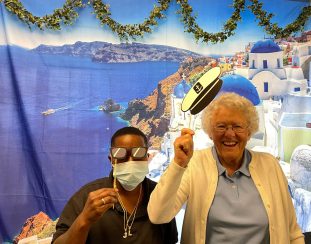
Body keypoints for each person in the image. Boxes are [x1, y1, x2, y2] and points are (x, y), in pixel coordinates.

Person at [147, 92, 304, 244]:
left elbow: (292, 232)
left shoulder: (270, 166)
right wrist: (178, 164)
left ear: (249, 132)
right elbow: (158, 215)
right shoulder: (194, 164)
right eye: (221, 126)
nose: (230, 134)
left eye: (237, 126)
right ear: (210, 132)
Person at [52, 126, 178, 244]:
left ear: (147, 157)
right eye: (120, 154)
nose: (130, 161)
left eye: (138, 153)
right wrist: (84, 220)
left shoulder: (161, 195)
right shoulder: (87, 198)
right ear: (111, 159)